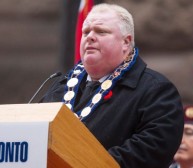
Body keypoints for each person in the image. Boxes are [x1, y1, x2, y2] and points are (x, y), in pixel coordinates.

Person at [40, 3, 184, 168]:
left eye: (101, 32)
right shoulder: (59, 86)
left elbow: (152, 150)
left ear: (126, 42)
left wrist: (86, 163)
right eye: (86, 32)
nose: (90, 37)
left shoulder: (156, 90)